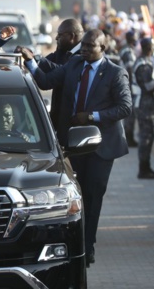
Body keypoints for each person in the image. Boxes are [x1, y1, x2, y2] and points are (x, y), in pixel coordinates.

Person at [18, 29, 132, 267]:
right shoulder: (74, 64)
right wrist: (30, 61)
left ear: (103, 48)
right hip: (73, 144)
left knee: (93, 195)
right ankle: (77, 243)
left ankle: (88, 246)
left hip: (101, 147)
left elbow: (125, 108)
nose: (85, 49)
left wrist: (92, 116)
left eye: (91, 46)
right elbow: (45, 81)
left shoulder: (115, 73)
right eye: (84, 45)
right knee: (76, 196)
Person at [31, 19, 84, 128]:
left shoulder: (83, 54)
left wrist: (36, 59)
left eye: (60, 35)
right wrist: (31, 58)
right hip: (58, 120)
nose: (56, 38)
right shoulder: (63, 49)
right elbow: (47, 63)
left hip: (74, 122)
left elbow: (61, 70)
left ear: (71, 36)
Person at [132, 37, 154, 179]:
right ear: (149, 48)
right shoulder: (144, 65)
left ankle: (146, 167)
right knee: (146, 137)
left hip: (146, 104)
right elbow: (149, 85)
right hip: (144, 104)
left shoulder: (144, 62)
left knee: (148, 136)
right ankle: (143, 169)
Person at [119, 30, 139, 147]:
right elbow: (130, 69)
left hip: (128, 84)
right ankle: (129, 138)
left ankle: (129, 136)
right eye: (134, 38)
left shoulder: (128, 49)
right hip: (128, 85)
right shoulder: (127, 51)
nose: (136, 40)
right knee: (130, 113)